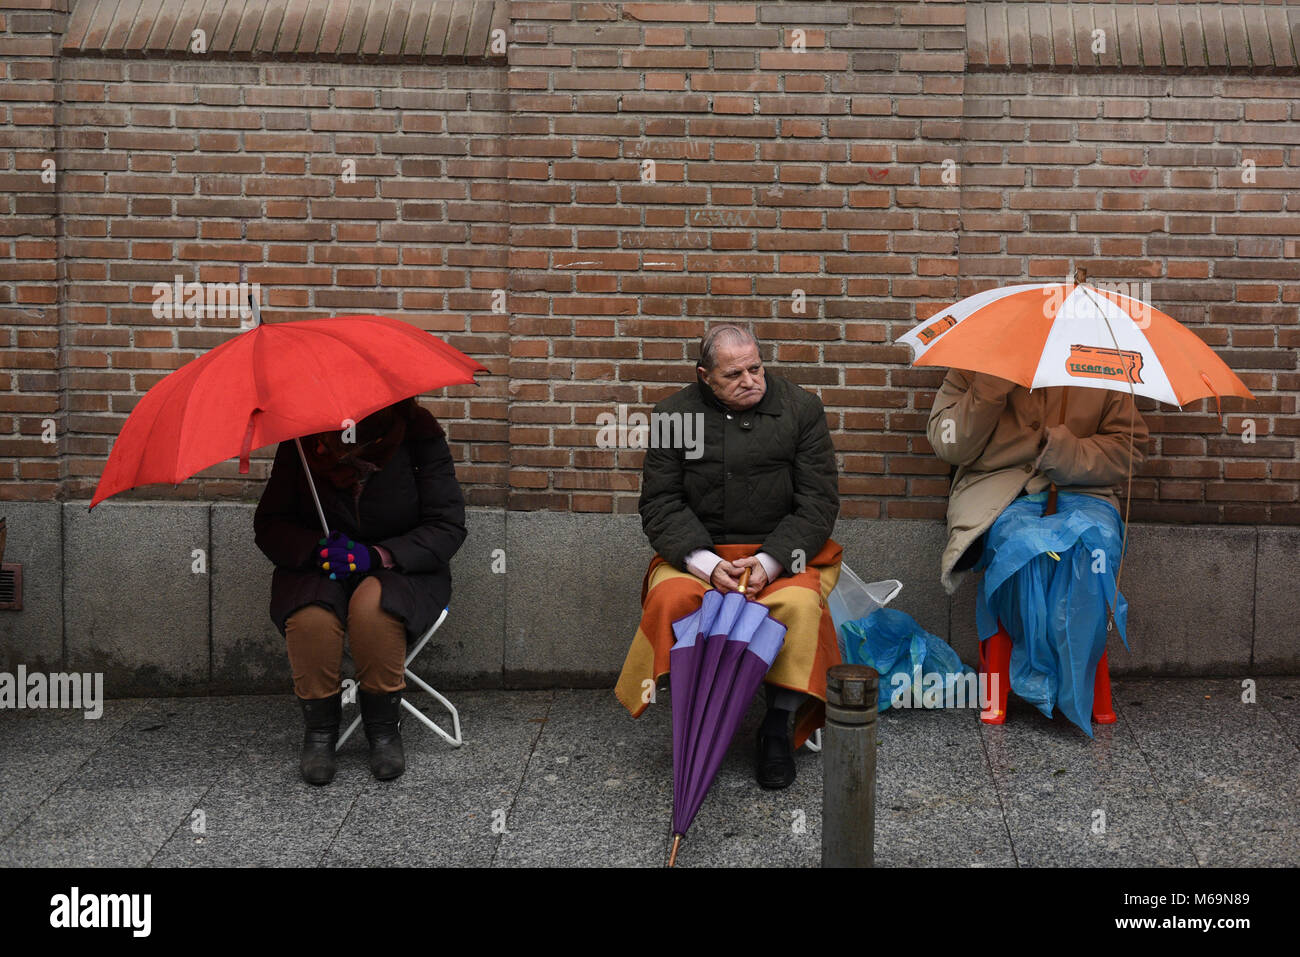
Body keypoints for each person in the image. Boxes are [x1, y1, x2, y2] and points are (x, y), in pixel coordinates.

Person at [615, 324, 841, 789]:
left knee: (799, 607)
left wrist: (769, 563)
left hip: (783, 554)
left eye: (756, 368)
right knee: (671, 602)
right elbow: (659, 504)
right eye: (733, 373)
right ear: (705, 377)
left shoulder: (802, 409)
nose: (750, 379)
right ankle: (697, 723)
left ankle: (777, 727)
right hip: (697, 557)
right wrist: (705, 564)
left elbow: (818, 504)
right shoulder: (674, 416)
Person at [254, 398, 467, 785]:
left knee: (375, 608)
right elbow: (270, 524)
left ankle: (383, 730)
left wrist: (376, 556)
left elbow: (447, 526)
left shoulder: (419, 435)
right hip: (320, 567)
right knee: (311, 615)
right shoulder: (303, 442)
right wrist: (315, 550)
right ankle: (320, 732)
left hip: (403, 568)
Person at [927, 370, 1148, 726]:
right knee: (1026, 548)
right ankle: (1038, 675)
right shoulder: (975, 363)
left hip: (1083, 492)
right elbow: (948, 444)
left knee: (1090, 549)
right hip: (1000, 493)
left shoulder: (1097, 364)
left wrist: (1068, 452)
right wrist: (990, 390)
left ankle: (1068, 677)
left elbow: (1130, 449)